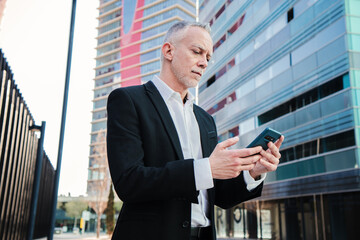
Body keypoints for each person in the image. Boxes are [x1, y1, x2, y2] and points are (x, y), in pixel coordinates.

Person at [106, 21, 284, 240]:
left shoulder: (205, 120)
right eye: (197, 52)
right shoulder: (128, 101)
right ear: (169, 51)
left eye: (208, 58)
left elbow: (221, 196)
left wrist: (254, 172)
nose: (203, 63)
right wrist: (205, 169)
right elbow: (129, 182)